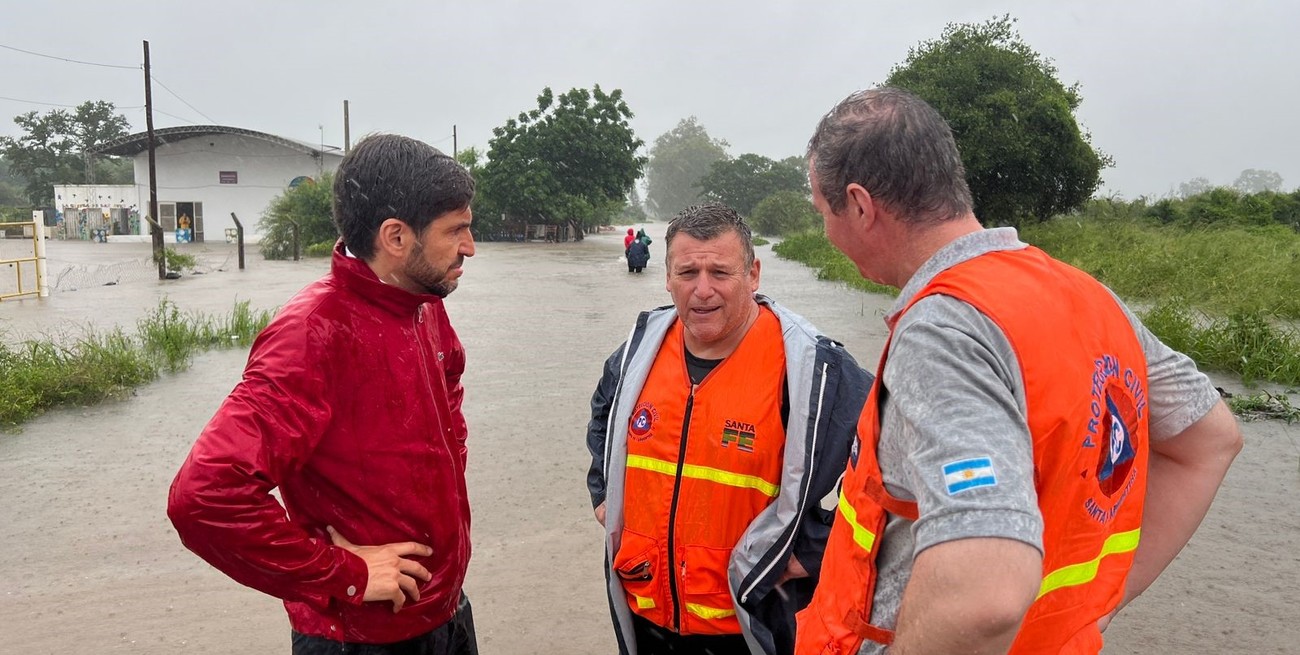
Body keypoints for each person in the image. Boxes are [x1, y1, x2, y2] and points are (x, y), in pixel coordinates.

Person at [794, 87, 1244, 654]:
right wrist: (1090, 609)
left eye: (822, 212)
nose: (827, 235)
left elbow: (985, 596)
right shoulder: (1088, 296)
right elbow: (1210, 440)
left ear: (859, 205)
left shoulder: (943, 331)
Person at [167, 133, 480, 655]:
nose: (470, 247)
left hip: (444, 608)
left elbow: (449, 391)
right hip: (362, 635)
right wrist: (346, 574)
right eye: (457, 231)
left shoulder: (423, 301)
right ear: (396, 237)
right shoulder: (312, 334)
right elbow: (203, 498)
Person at [586, 202, 872, 655]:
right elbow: (604, 417)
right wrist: (605, 497)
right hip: (645, 616)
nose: (702, 291)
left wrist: (815, 549)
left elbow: (881, 464)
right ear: (666, 276)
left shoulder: (812, 370)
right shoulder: (636, 354)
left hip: (752, 623)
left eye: (720, 272)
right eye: (687, 273)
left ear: (753, 274)